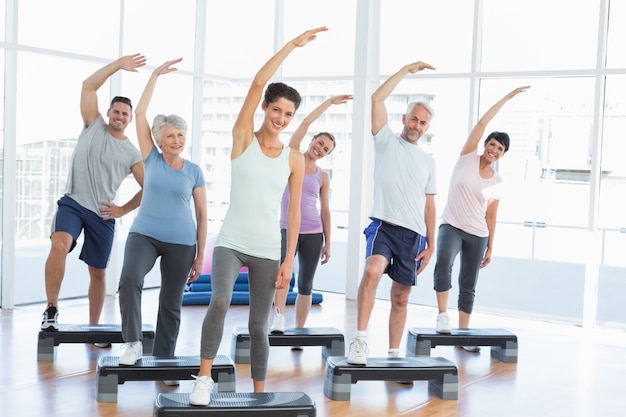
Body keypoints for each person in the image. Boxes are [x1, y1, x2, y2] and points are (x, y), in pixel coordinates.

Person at [189, 27, 328, 406]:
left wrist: (288, 261)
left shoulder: (294, 158)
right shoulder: (242, 139)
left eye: (289, 114)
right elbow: (256, 83)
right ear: (266, 108)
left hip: (268, 249)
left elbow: (296, 214)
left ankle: (260, 395)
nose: (281, 118)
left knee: (258, 326)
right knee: (218, 302)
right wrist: (291, 46)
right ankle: (203, 379)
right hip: (231, 242)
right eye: (276, 110)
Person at [41, 54, 146, 333]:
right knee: (58, 245)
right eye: (116, 111)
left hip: (102, 213)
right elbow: (88, 86)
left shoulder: (131, 153)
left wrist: (122, 209)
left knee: (98, 273)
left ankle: (94, 327)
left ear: (130, 119)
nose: (119, 116)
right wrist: (117, 65)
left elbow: (150, 188)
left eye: (125, 114)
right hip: (73, 203)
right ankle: (52, 309)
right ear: (109, 113)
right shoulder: (92, 125)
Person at [117, 58, 207, 369]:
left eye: (181, 135)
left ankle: (165, 360)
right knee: (129, 279)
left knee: (171, 303)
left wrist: (199, 255)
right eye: (171, 135)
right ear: (158, 140)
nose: (177, 140)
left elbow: (202, 215)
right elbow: (140, 114)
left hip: (182, 243)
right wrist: (154, 75)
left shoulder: (194, 171)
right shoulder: (151, 158)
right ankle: (132, 344)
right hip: (144, 235)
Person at [347, 61, 437, 366]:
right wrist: (405, 71)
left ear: (426, 128)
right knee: (372, 271)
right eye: (414, 119)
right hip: (384, 226)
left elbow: (430, 206)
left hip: (414, 235)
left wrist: (432, 245)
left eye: (423, 123)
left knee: (401, 297)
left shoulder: (428, 162)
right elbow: (376, 99)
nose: (417, 126)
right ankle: (359, 340)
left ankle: (394, 355)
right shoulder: (385, 141)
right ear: (405, 118)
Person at [433, 87, 530, 351]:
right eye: (492, 144)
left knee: (469, 282)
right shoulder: (466, 158)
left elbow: (491, 215)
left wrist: (491, 245)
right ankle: (443, 315)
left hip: (478, 233)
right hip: (451, 225)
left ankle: (464, 335)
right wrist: (507, 98)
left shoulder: (498, 181)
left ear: (502, 154)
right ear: (485, 144)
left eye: (500, 148)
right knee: (443, 262)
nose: (494, 149)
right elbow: (482, 122)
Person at [270, 94, 353, 336]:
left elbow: (325, 211)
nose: (320, 149)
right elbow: (304, 123)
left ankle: (300, 330)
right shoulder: (292, 156)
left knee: (306, 283)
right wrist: (329, 103)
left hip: (314, 233)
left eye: (326, 149)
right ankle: (279, 318)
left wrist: (328, 242)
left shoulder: (322, 176)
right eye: (320, 143)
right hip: (288, 228)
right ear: (313, 140)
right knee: (282, 276)